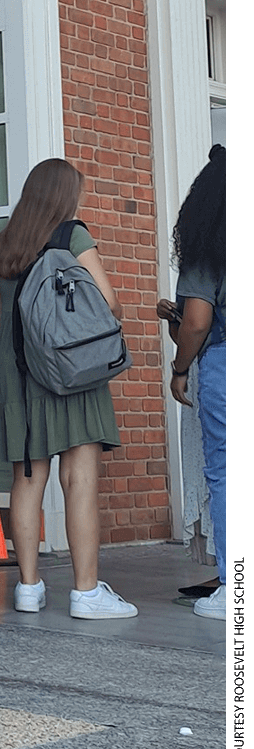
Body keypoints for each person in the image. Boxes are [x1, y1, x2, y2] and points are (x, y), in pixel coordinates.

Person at [0, 159, 137, 620]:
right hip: (70, 374)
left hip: (18, 376)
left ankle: (28, 587)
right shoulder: (73, 237)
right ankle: (86, 593)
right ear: (66, 196)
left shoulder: (1, 243)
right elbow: (108, 302)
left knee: (27, 482)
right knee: (80, 480)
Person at [157, 145, 225, 620]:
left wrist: (179, 368)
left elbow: (197, 323)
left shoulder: (208, 244)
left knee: (223, 472)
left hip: (222, 361)